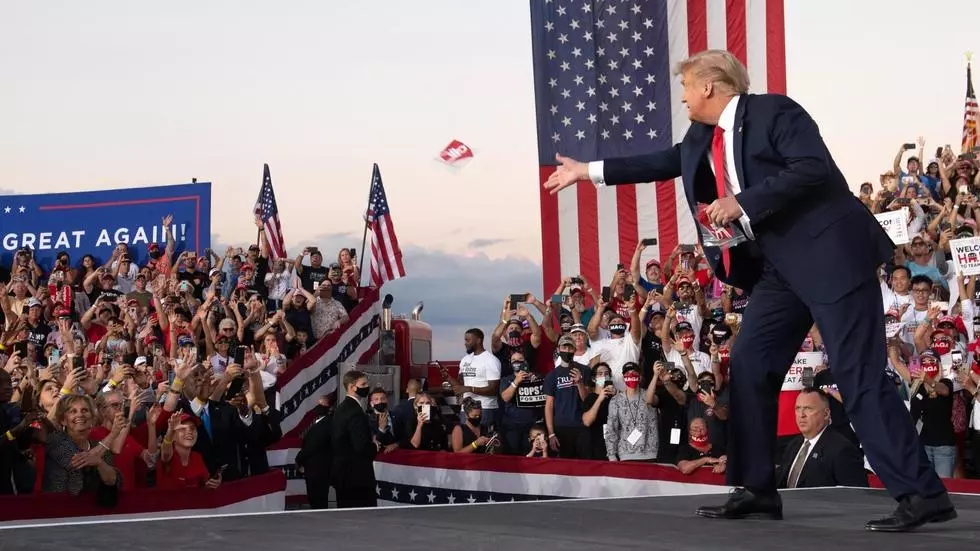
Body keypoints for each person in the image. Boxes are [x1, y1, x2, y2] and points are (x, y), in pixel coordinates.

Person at [543, 48, 953, 532]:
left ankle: (922, 494)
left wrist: (742, 201)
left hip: (831, 257)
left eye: (687, 88)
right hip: (780, 271)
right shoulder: (700, 137)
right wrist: (586, 172)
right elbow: (660, 161)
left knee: (857, 376)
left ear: (711, 85)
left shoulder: (775, 111)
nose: (684, 97)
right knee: (751, 362)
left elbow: (812, 167)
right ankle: (757, 488)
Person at [776, 388, 868, 489]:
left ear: (826, 414)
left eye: (808, 408)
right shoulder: (793, 445)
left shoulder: (842, 450)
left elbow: (856, 498)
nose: (801, 415)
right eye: (798, 408)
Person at [330, 369, 377, 508]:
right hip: (356, 478)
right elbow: (360, 446)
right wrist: (374, 446)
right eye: (363, 384)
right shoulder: (355, 412)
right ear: (351, 387)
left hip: (343, 475)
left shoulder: (341, 408)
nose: (367, 387)